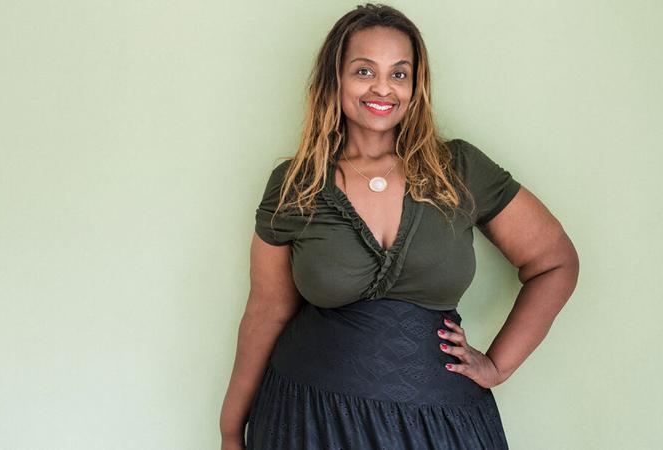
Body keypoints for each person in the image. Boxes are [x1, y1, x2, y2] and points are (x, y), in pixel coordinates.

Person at [219, 4, 579, 449]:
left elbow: (554, 262)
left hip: (440, 426)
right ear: (336, 78)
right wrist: (232, 430)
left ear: (416, 85)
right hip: (309, 421)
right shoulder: (297, 184)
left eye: (400, 73)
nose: (383, 87)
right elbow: (266, 311)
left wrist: (498, 365)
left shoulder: (460, 169)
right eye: (364, 70)